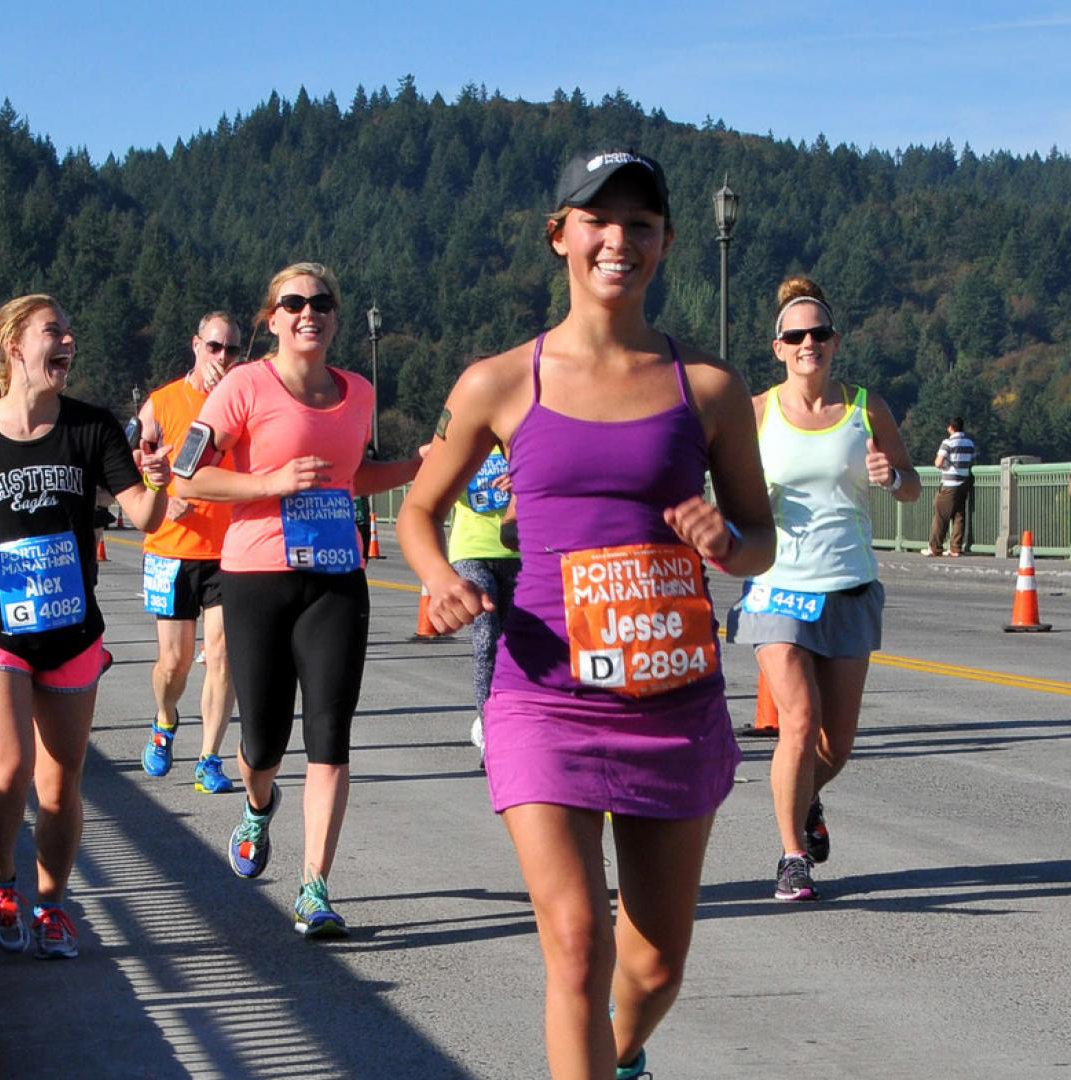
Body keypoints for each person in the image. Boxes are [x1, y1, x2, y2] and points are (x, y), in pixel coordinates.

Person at [397, 149, 775, 1080]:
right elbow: (416, 508)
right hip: (544, 690)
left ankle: (613, 1057)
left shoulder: (711, 389)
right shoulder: (497, 382)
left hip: (671, 695)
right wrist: (439, 576)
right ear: (559, 236)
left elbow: (761, 538)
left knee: (653, 967)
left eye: (641, 224)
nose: (619, 241)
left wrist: (726, 543)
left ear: (667, 244)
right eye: (597, 221)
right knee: (575, 943)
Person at [0, 294, 168, 960]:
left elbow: (144, 515)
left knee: (60, 784)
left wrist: (162, 480)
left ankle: (53, 904)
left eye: (70, 332)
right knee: (8, 769)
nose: (68, 342)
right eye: (52, 331)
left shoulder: (91, 429)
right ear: (14, 348)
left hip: (72, 634)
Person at [179, 262, 424, 938]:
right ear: (272, 317)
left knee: (330, 735)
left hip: (336, 577)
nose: (307, 312)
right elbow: (189, 479)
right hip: (256, 576)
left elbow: (351, 477)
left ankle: (314, 887)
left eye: (320, 302)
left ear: (336, 316)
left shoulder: (360, 393)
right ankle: (259, 808)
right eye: (292, 302)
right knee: (262, 741)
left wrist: (414, 467)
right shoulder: (242, 387)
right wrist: (271, 482)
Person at [727, 276, 920, 904]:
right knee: (799, 723)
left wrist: (892, 477)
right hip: (778, 588)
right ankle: (791, 858)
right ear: (777, 347)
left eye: (819, 334)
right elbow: (719, 491)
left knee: (836, 744)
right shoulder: (755, 413)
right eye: (795, 335)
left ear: (835, 343)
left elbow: (914, 485)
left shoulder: (868, 408)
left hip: (849, 586)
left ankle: (805, 798)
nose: (808, 343)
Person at [135, 311, 241, 794]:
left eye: (233, 350)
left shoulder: (244, 403)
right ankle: (164, 719)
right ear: (196, 345)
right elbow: (133, 461)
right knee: (173, 664)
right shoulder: (160, 404)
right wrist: (158, 491)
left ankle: (210, 757)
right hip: (171, 550)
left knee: (222, 656)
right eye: (215, 347)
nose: (223, 358)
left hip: (228, 552)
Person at [449, 446, 519, 767]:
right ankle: (490, 731)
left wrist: (524, 480)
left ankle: (509, 722)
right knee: (486, 633)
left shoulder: (522, 427)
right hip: (471, 548)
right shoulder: (470, 427)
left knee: (520, 646)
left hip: (521, 549)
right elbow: (430, 457)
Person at [923, 417, 975, 557]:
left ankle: (935, 548)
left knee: (940, 516)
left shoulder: (948, 442)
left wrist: (947, 466)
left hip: (949, 484)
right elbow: (970, 461)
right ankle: (955, 548)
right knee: (959, 516)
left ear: (950, 427)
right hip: (964, 483)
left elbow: (938, 462)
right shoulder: (969, 443)